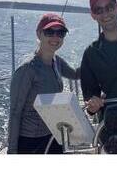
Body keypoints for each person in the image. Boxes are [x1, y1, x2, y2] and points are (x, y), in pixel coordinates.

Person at [8, 13, 80, 154]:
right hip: (30, 140)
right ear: (39, 34)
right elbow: (15, 113)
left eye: (60, 33)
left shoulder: (57, 61)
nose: (55, 37)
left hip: (53, 134)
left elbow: (76, 74)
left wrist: (98, 57)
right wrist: (12, 151)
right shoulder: (27, 70)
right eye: (49, 32)